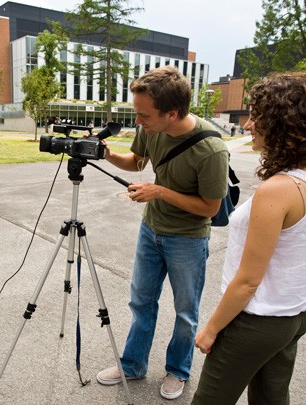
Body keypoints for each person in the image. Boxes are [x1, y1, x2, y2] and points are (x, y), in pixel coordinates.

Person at [192, 72, 306, 405]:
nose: (247, 125)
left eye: (255, 117)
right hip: (294, 316)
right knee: (271, 398)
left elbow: (248, 281)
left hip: (257, 321)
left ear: (281, 124)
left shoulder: (278, 190)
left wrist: (211, 329)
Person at [96, 66, 229, 400]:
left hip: (188, 238)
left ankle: (178, 371)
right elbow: (136, 161)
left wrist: (160, 192)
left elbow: (211, 208)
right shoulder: (152, 127)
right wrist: (107, 153)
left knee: (185, 310)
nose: (138, 122)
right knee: (141, 301)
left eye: (144, 116)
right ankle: (133, 365)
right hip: (150, 231)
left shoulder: (211, 150)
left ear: (172, 113)